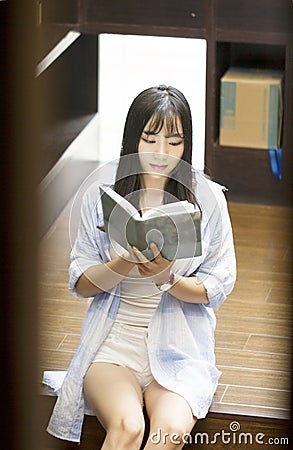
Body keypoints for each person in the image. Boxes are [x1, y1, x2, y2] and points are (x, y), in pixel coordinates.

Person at [46, 85, 236, 449]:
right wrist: (122, 262)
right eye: (150, 139)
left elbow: (216, 288)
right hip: (114, 346)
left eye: (175, 142)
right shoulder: (102, 194)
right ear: (133, 139)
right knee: (128, 427)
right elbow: (82, 284)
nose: (162, 154)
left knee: (169, 432)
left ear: (187, 145)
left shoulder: (208, 198)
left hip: (180, 348)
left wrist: (167, 278)